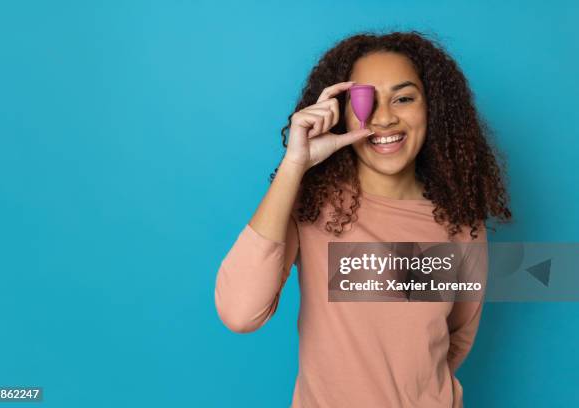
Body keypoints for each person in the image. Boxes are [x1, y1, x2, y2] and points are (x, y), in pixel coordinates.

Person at [214, 30, 512, 408]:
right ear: (340, 112)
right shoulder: (311, 205)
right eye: (364, 100)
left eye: (403, 98)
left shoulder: (460, 222)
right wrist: (295, 165)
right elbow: (240, 312)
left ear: (431, 108)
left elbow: (455, 339)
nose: (384, 118)